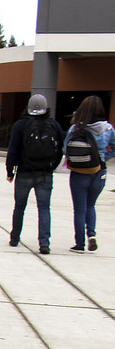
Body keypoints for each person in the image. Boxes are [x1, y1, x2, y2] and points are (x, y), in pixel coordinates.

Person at [6, 94, 63, 254]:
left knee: (19, 207)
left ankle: (15, 238)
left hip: (24, 172)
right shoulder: (54, 125)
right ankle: (44, 243)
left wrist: (10, 171)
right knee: (44, 208)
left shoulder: (20, 125)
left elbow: (13, 151)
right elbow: (59, 150)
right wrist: (52, 167)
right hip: (45, 174)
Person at [63, 95, 114, 253]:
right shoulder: (108, 129)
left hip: (79, 173)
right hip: (99, 171)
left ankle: (79, 244)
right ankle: (91, 234)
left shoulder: (75, 128)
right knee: (91, 205)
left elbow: (65, 149)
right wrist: (103, 158)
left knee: (79, 208)